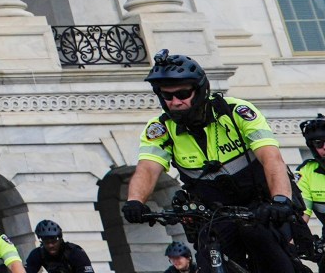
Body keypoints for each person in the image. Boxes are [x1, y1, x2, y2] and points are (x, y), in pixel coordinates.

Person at [122, 50, 300, 273]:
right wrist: (135, 201)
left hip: (260, 205)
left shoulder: (236, 112)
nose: (175, 102)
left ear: (200, 90)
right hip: (214, 211)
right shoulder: (160, 128)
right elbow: (148, 168)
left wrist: (280, 200)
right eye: (167, 96)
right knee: (208, 257)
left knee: (272, 254)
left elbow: (272, 158)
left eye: (183, 93)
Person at [25, 219, 90, 273]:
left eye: (53, 242)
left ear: (60, 240)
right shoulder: (38, 254)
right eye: (46, 242)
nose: (50, 245)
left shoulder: (75, 252)